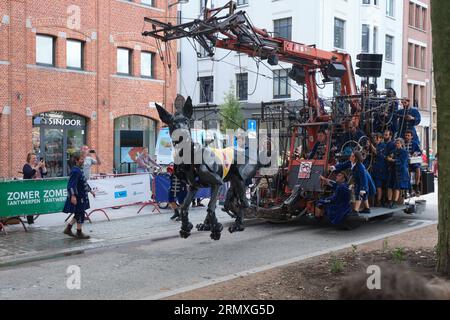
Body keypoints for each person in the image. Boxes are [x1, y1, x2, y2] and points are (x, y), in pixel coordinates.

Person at [62, 152, 95, 239]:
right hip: (78, 197)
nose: (83, 161)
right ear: (76, 160)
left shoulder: (79, 170)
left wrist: (91, 191)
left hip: (82, 196)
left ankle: (69, 228)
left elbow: (83, 182)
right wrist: (73, 196)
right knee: (80, 213)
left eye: (83, 159)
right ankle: (78, 232)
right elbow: (71, 185)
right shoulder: (75, 171)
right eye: (81, 159)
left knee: (79, 213)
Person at [23, 153, 48, 224]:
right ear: (29, 159)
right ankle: (30, 222)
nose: (35, 159)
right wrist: (38, 166)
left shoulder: (37, 166)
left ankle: (32, 219)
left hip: (38, 188)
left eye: (36, 158)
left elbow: (45, 173)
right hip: (29, 189)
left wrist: (43, 167)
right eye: (33, 158)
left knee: (35, 204)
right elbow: (30, 173)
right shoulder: (26, 166)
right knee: (30, 205)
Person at [386, 138, 410, 209]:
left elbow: (402, 162)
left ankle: (394, 202)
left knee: (397, 187)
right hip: (393, 170)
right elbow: (389, 157)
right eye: (396, 143)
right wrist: (388, 158)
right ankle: (389, 201)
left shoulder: (405, 152)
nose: (397, 144)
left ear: (401, 144)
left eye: (398, 143)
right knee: (389, 186)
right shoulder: (393, 151)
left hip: (400, 171)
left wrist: (392, 160)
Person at [369, 133, 388, 207]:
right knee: (376, 185)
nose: (375, 140)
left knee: (379, 186)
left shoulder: (383, 145)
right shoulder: (376, 145)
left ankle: (379, 201)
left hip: (381, 169)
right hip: (375, 168)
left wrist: (371, 145)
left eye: (376, 138)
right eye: (374, 138)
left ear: (380, 138)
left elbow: (377, 152)